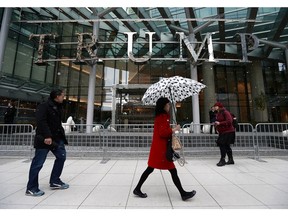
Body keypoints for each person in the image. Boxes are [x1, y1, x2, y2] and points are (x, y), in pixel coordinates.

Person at [133, 97, 196, 201]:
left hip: (159, 148)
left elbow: (163, 130)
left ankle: (137, 188)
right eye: (167, 105)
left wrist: (171, 128)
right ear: (163, 106)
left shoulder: (162, 116)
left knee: (151, 168)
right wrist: (174, 129)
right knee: (171, 170)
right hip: (161, 150)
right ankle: (183, 193)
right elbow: (162, 133)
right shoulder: (162, 117)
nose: (169, 106)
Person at [26, 89, 69, 196]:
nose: (64, 97)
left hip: (56, 139)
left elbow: (57, 123)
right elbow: (41, 122)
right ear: (57, 96)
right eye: (62, 96)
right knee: (38, 163)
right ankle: (31, 188)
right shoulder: (44, 106)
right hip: (45, 139)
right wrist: (47, 136)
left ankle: (55, 181)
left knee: (61, 157)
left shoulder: (58, 106)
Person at [214, 102, 235, 167]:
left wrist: (220, 123)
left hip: (228, 131)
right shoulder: (218, 113)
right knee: (226, 145)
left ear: (219, 106)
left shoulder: (225, 112)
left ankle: (222, 160)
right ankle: (230, 159)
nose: (214, 107)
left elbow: (229, 121)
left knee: (222, 144)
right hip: (223, 132)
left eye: (216, 106)